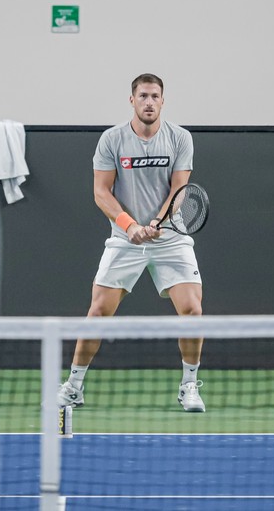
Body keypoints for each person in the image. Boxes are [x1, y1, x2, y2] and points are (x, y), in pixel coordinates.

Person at [57, 73, 206, 413]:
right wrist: (130, 226)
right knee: (98, 312)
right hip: (125, 240)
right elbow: (101, 192)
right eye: (143, 96)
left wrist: (156, 223)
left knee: (193, 311)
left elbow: (179, 191)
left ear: (163, 101)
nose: (149, 102)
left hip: (170, 238)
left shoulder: (180, 138)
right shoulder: (112, 140)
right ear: (132, 100)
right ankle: (74, 387)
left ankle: (189, 386)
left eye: (154, 96)